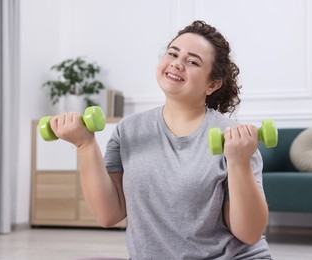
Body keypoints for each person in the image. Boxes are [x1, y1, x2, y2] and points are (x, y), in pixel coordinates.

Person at [50, 20, 272, 260]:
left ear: (212, 84)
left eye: (192, 61)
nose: (177, 63)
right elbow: (108, 215)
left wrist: (238, 162)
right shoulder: (129, 130)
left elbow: (248, 234)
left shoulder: (234, 140)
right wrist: (85, 144)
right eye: (173, 54)